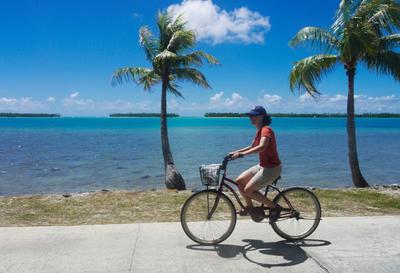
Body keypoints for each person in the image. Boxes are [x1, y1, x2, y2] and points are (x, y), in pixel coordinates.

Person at [229, 106, 282, 223]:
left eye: (254, 115)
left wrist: (242, 155)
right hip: (262, 166)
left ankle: (275, 207)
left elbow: (262, 147)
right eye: (250, 116)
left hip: (271, 169)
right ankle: (251, 208)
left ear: (262, 116)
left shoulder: (266, 130)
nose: (251, 118)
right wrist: (235, 152)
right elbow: (252, 146)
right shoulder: (260, 131)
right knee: (239, 181)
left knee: (248, 190)